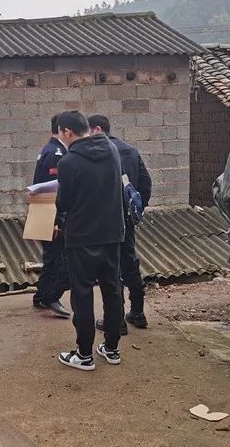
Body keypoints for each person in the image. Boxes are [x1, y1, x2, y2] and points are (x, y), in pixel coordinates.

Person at [54, 111, 125, 371]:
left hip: (82, 237)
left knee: (82, 295)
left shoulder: (68, 163)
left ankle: (84, 355)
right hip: (112, 233)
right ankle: (112, 348)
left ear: (67, 133)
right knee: (112, 289)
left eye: (61, 134)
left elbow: (64, 202)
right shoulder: (112, 149)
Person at [88, 115, 152, 333]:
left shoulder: (98, 153)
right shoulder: (131, 151)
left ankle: (115, 322)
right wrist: (136, 211)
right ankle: (138, 312)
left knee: (110, 270)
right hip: (126, 218)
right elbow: (145, 184)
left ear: (97, 129)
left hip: (106, 222)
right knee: (130, 262)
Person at [31, 114, 71, 318]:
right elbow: (52, 190)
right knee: (60, 260)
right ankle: (51, 296)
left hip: (46, 214)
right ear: (64, 130)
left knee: (51, 258)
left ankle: (41, 296)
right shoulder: (55, 154)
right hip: (51, 216)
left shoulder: (51, 150)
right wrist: (55, 221)